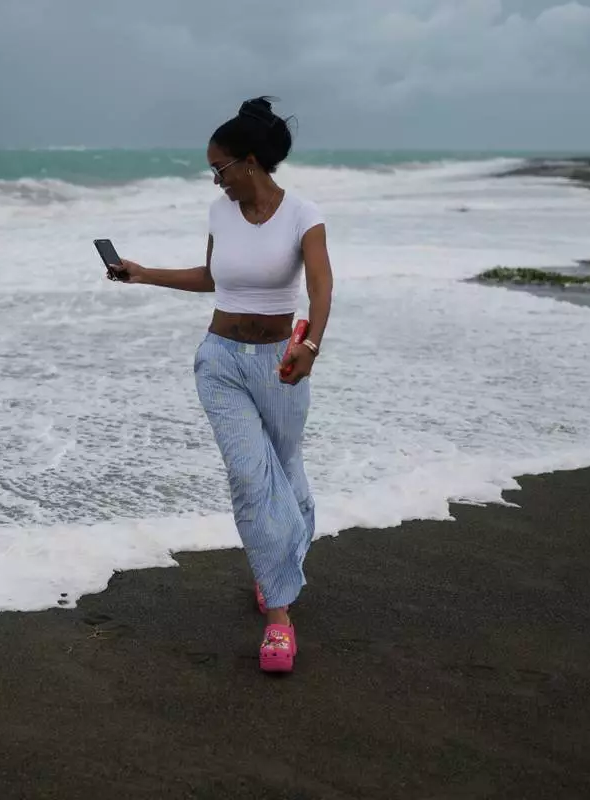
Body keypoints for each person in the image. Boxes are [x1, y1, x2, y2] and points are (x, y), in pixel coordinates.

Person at [111, 96, 333, 673]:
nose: (216, 180)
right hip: (220, 362)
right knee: (250, 477)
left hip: (280, 363)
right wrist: (143, 272)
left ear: (250, 161)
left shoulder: (302, 215)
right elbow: (212, 277)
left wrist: (309, 346)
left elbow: (320, 285)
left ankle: (278, 564)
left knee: (285, 468)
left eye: (220, 168)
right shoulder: (219, 212)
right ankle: (279, 617)